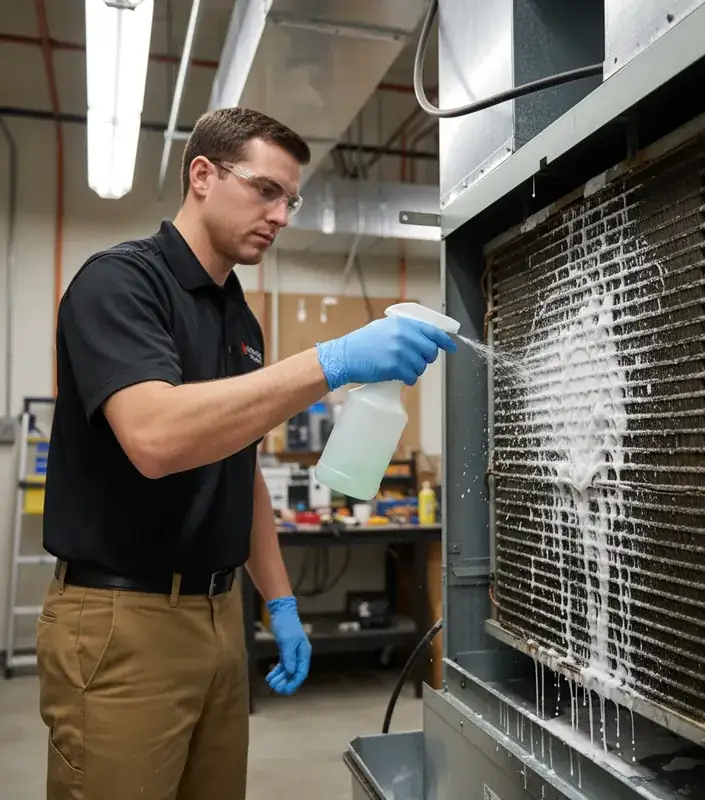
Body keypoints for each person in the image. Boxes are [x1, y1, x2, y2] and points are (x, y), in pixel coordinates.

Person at [37, 107, 456, 800]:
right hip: (120, 620)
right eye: (266, 190)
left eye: (290, 199)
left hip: (220, 617)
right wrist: (333, 359)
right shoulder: (118, 284)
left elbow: (240, 470)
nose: (282, 213)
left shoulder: (239, 319)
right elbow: (156, 439)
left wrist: (281, 602)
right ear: (202, 175)